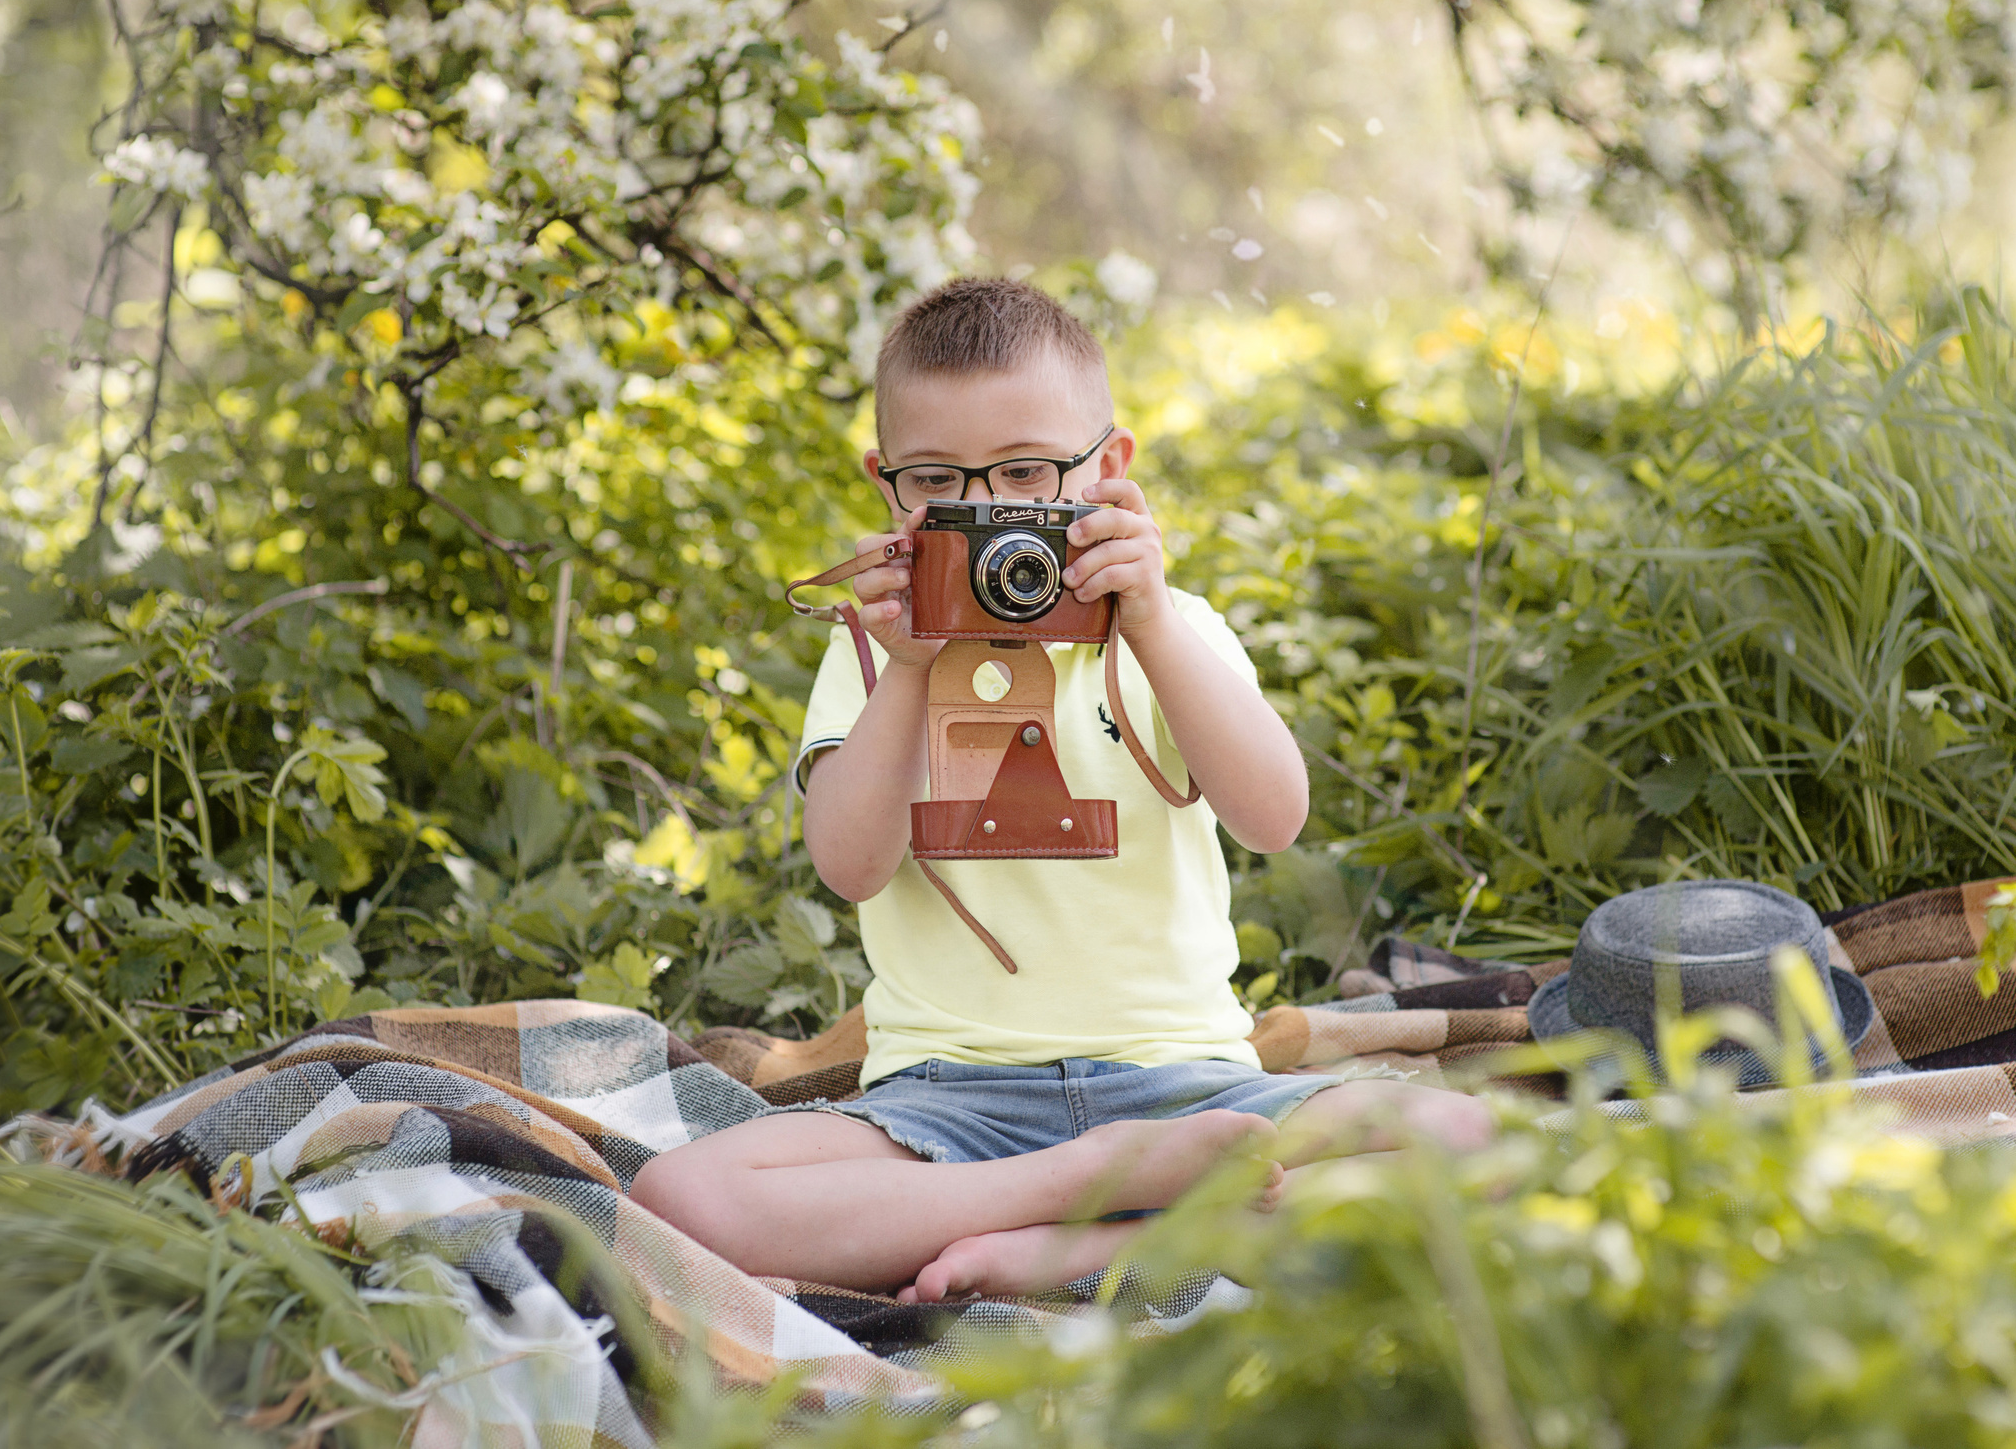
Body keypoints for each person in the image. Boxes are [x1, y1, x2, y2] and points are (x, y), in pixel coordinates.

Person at [630, 278, 1494, 1301]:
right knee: (677, 1200)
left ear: (1110, 469)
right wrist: (907, 665)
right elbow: (852, 866)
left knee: (1470, 1138)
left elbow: (1275, 816)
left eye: (1028, 470)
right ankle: (1081, 1187)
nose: (994, 511)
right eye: (940, 479)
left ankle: (1066, 1245)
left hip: (1182, 1079)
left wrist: (1155, 624)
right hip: (951, 1103)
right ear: (887, 486)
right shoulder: (873, 655)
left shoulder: (1175, 631)